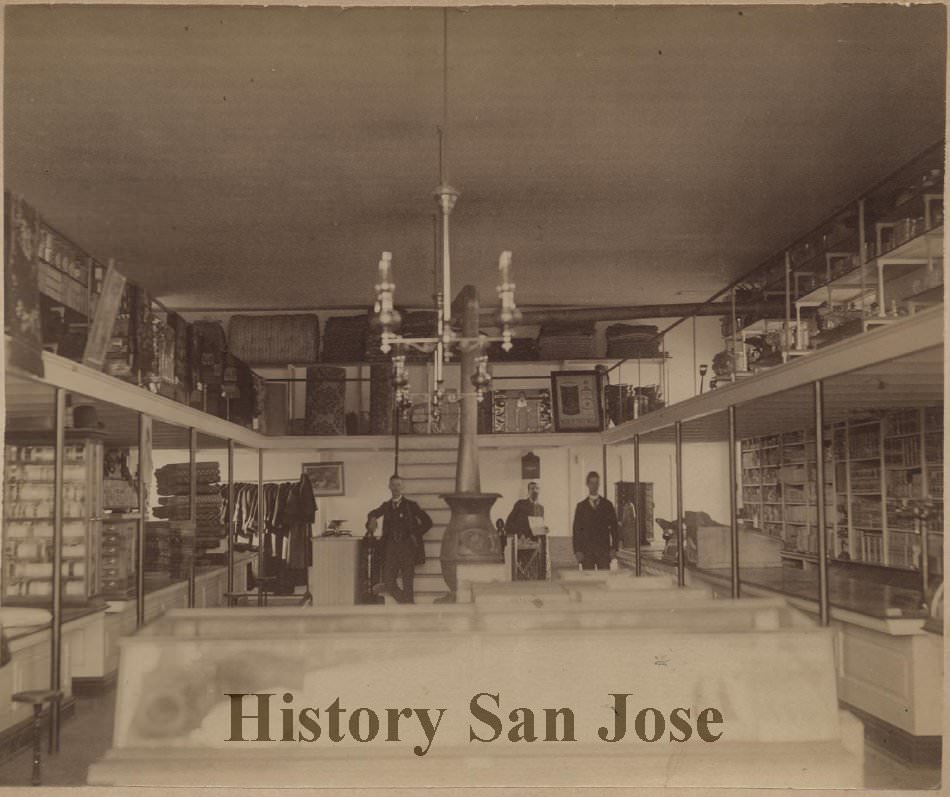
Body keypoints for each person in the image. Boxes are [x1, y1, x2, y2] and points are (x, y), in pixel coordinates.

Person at [365, 474, 432, 604]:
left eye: (398, 485)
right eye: (393, 485)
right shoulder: (386, 505)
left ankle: (409, 607)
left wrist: (414, 534)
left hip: (407, 548)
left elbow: (427, 522)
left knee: (408, 582)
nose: (395, 488)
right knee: (389, 582)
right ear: (389, 487)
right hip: (390, 549)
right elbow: (373, 513)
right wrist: (372, 519)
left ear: (403, 487)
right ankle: (408, 604)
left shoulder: (411, 505)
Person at [572, 471, 618, 570]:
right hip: (587, 551)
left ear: (599, 484)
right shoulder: (581, 506)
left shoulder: (607, 505)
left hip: (604, 550)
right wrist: (577, 550)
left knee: (605, 578)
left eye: (596, 483)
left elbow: (615, 528)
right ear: (587, 484)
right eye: (592, 483)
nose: (594, 486)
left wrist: (614, 548)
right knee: (588, 581)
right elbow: (576, 530)